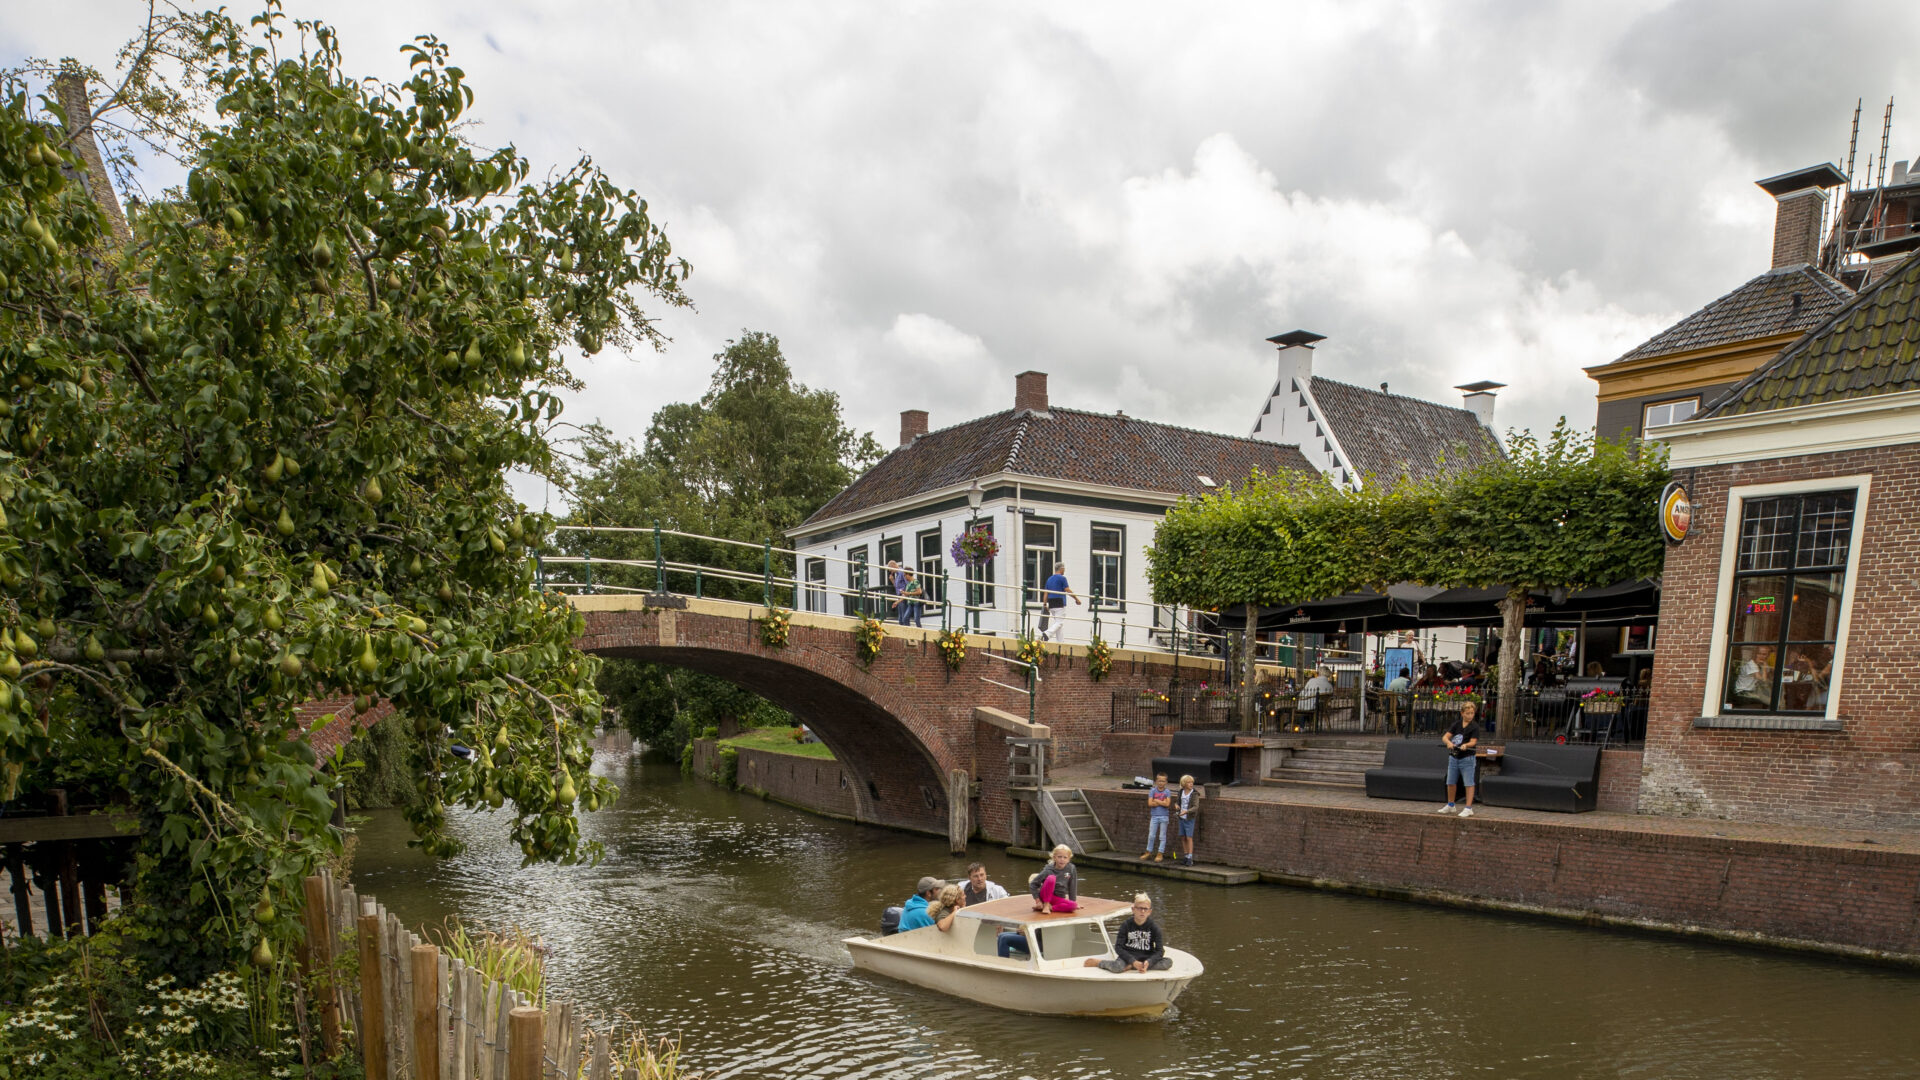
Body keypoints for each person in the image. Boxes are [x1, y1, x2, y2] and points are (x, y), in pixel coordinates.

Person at [1085, 894, 1173, 973]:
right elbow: (1118, 947)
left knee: (1168, 962)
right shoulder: (1126, 925)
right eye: (1139, 908)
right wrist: (1132, 961)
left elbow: (1160, 951)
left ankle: (1134, 967)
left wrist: (1149, 962)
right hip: (1128, 957)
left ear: (1149, 911)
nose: (1142, 911)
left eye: (1145, 909)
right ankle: (1099, 963)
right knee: (1117, 967)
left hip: (1146, 957)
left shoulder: (1154, 928)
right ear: (1133, 909)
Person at [1436, 702, 1481, 817]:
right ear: (1462, 713)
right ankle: (1451, 805)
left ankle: (1468, 808)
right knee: (1450, 782)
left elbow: (1473, 741)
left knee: (1468, 782)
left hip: (1467, 758)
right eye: (1467, 713)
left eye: (1472, 713)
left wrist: (1466, 745)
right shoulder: (1456, 724)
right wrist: (1449, 743)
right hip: (1454, 757)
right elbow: (1445, 737)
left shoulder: (1475, 727)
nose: (1470, 715)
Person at [1037, 563, 1080, 642]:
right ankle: (1047, 633)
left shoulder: (1049, 579)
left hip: (1051, 603)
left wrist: (1045, 604)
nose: (1064, 570)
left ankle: (1060, 642)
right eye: (1064, 568)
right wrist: (1076, 599)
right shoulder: (1062, 578)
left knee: (1058, 623)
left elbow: (1046, 593)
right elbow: (1067, 590)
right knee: (1059, 623)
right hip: (1059, 602)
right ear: (1061, 569)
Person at [1029, 845, 1078, 910]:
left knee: (1073, 905)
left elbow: (1072, 885)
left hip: (1057, 898)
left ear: (1068, 859)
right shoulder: (1048, 870)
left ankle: (1050, 907)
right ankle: (1045, 904)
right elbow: (1033, 884)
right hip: (1045, 896)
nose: (1062, 859)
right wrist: (1038, 901)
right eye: (1059, 857)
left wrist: (1073, 901)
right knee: (1052, 878)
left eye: (1065, 857)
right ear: (1054, 857)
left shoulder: (1071, 868)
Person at [1174, 774, 1201, 867]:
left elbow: (1196, 807)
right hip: (1181, 817)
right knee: (1182, 837)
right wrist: (1176, 805)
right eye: (1189, 782)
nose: (1191, 784)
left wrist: (1186, 812)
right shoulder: (1181, 791)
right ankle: (1185, 856)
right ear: (1184, 784)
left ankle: (1190, 858)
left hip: (1189, 818)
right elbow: (1177, 802)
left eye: (1192, 782)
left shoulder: (1194, 794)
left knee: (1189, 837)